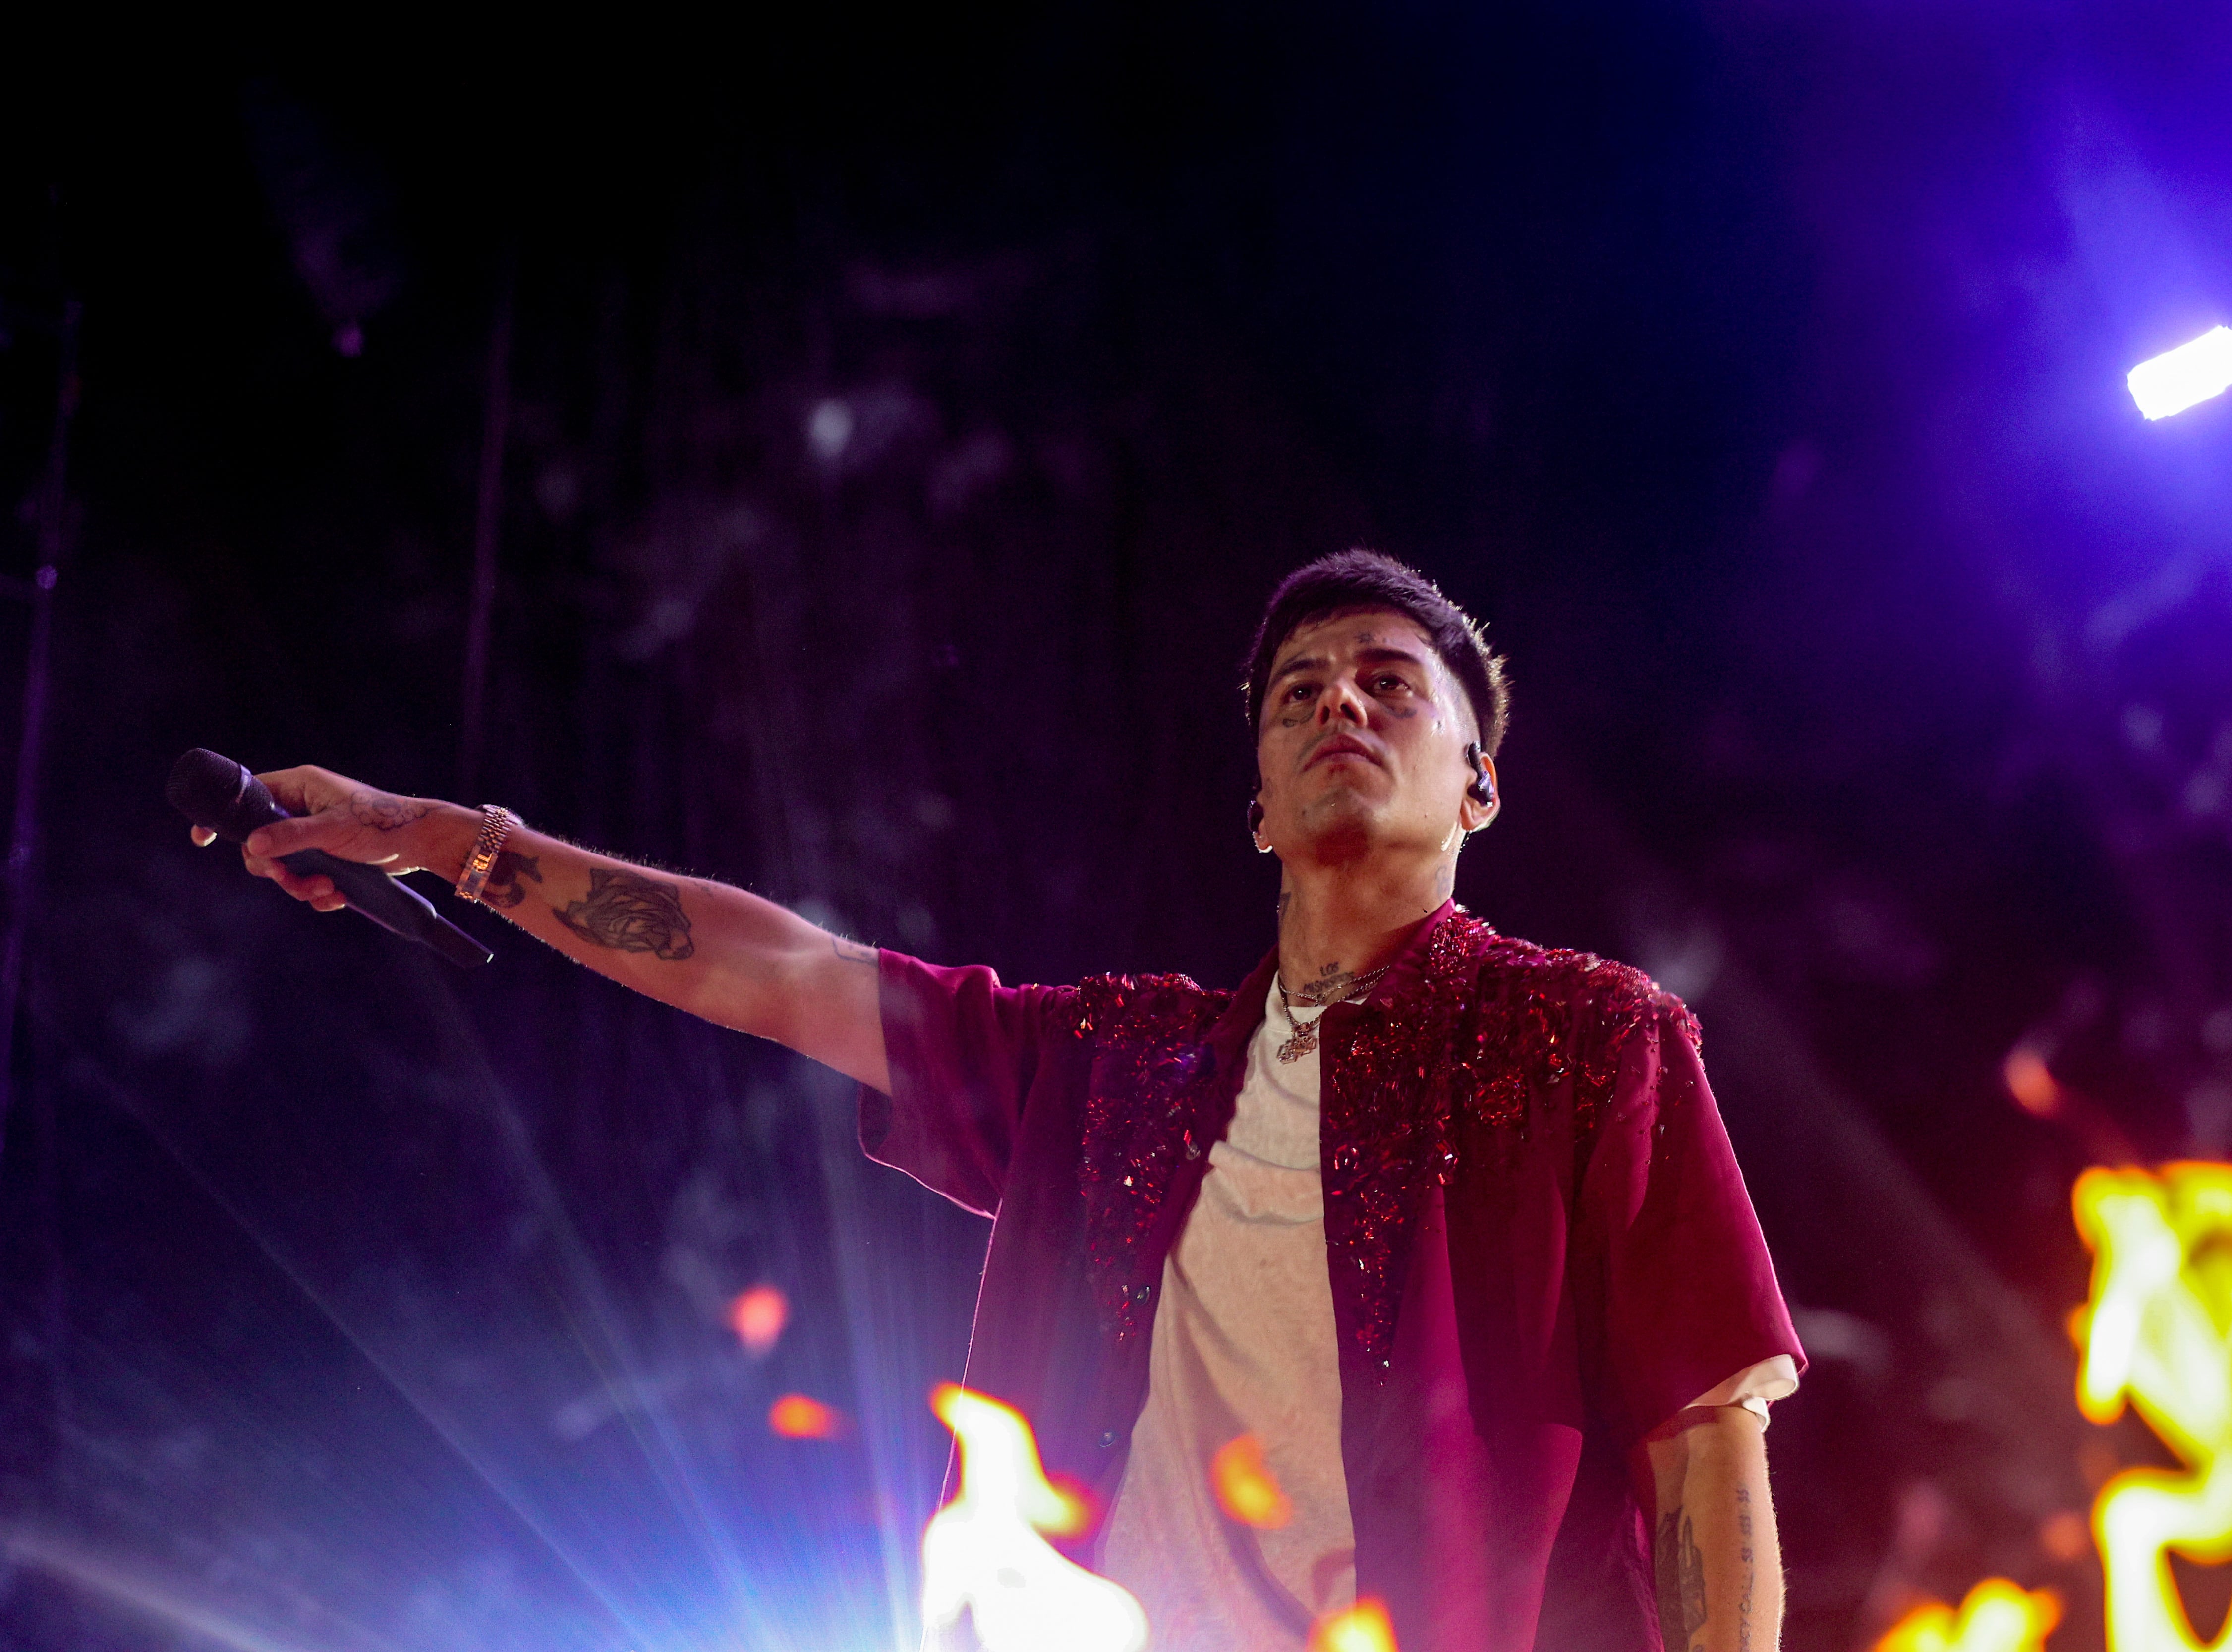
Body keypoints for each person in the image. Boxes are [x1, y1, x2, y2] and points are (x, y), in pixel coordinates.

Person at [199, 550, 1802, 1652]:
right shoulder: (1113, 1069)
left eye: (1390, 682)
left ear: (1480, 782)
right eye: (1299, 687)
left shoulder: (1591, 1037)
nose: (1339, 704)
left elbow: (1703, 1444)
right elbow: (779, 973)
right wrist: (437, 835)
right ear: (1255, 803)